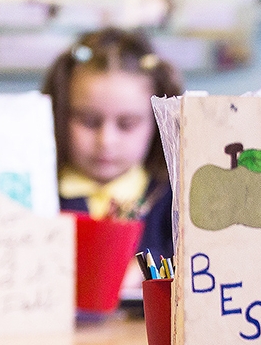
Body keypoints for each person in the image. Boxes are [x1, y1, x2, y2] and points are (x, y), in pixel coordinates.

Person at [43, 28, 182, 259]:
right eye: (88, 121)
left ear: (158, 122)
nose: (106, 141)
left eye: (127, 124)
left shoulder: (175, 201)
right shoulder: (38, 197)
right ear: (58, 113)